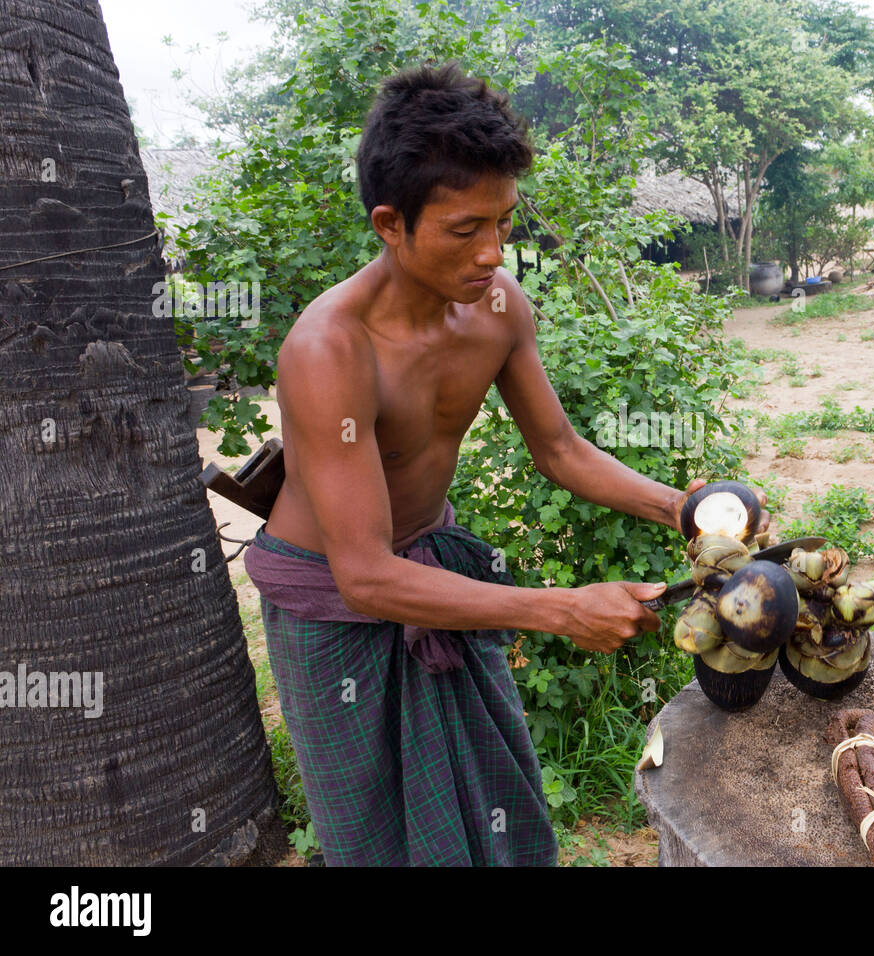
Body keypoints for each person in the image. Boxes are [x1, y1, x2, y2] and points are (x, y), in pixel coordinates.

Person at [243, 63, 767, 865]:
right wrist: (560, 609)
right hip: (336, 611)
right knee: (378, 838)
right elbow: (365, 576)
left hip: (431, 569)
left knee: (499, 805)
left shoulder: (495, 308)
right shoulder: (329, 351)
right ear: (391, 224)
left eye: (504, 223)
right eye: (464, 230)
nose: (493, 253)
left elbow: (558, 449)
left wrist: (678, 509)